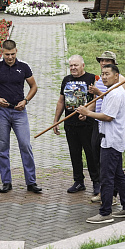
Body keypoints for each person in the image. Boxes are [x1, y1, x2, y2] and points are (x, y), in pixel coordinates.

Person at [77, 64, 125, 223]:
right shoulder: (112, 91)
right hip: (109, 139)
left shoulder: (116, 93)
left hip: (111, 141)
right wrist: (90, 110)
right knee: (117, 175)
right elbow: (107, 108)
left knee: (106, 177)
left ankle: (105, 213)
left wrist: (87, 112)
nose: (104, 77)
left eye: (107, 74)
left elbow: (108, 116)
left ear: (116, 76)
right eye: (102, 74)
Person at [0, 39, 42, 194]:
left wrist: (26, 100)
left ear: (16, 51)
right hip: (1, 111)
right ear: (2, 53)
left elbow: (34, 86)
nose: (10, 57)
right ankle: (6, 182)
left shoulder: (23, 67)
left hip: (19, 112)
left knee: (25, 145)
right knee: (3, 147)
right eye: (7, 54)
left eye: (12, 54)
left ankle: (31, 182)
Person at [52, 55, 99, 195]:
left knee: (91, 154)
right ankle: (78, 181)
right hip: (70, 124)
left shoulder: (92, 79)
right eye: (71, 65)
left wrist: (87, 112)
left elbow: (96, 100)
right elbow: (61, 101)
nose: (73, 68)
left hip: (87, 124)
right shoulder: (66, 80)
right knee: (74, 154)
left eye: (76, 65)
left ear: (83, 65)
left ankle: (96, 182)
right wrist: (56, 120)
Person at [88, 51, 125, 203]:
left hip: (111, 130)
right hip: (99, 125)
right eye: (101, 61)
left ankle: (110, 198)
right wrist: (86, 111)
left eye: (107, 61)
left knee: (112, 169)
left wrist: (98, 93)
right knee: (98, 160)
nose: (103, 63)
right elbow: (96, 101)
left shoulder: (119, 81)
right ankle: (105, 193)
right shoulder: (99, 80)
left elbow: (113, 105)